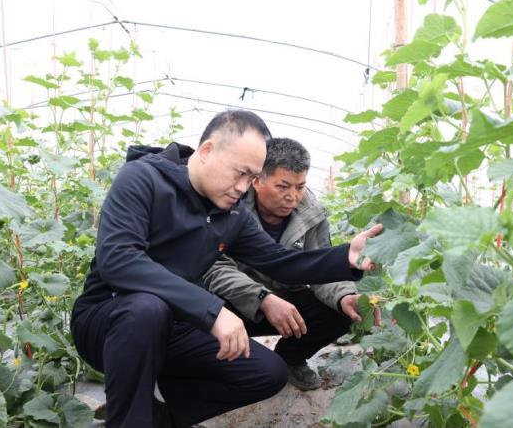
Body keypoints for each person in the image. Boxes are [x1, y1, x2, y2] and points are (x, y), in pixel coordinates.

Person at [70, 110, 382, 428]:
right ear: (207, 151)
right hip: (109, 323)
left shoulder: (230, 213)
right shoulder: (142, 178)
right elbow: (120, 260)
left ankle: (162, 415)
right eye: (240, 173)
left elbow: (281, 262)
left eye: (251, 177)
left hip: (175, 327)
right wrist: (213, 311)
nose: (243, 187)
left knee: (267, 373)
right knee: (147, 307)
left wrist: (346, 257)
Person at [203, 137, 379, 391]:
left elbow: (322, 266)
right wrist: (262, 298)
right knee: (198, 317)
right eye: (283, 186)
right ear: (257, 180)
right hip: (234, 302)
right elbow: (215, 267)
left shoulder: (313, 213)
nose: (292, 197)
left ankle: (288, 359)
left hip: (286, 301)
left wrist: (344, 295)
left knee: (338, 312)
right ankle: (222, 367)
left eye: (300, 187)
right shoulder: (232, 204)